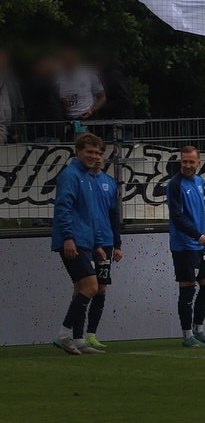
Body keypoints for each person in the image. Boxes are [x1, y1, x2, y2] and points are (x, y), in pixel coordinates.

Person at [51, 133, 103, 355]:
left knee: (80, 290)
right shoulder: (71, 175)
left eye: (97, 153)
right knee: (91, 288)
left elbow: (91, 215)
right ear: (78, 151)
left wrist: (97, 244)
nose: (93, 156)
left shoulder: (88, 178)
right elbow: (63, 208)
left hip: (84, 241)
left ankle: (79, 339)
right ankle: (63, 335)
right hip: (73, 241)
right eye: (89, 152)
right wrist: (68, 238)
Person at [168, 145, 205, 347]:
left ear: (199, 162)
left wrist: (199, 237)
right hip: (184, 245)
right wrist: (198, 235)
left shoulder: (199, 181)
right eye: (184, 161)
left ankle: (199, 330)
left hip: (198, 244)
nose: (187, 165)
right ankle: (187, 335)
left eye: (191, 161)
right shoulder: (175, 184)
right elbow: (177, 217)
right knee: (188, 289)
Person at [85, 139, 123, 350]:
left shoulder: (109, 182)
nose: (97, 158)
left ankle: (91, 334)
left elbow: (114, 214)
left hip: (106, 243)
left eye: (100, 154)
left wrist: (117, 244)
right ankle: (71, 334)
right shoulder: (81, 181)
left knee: (101, 289)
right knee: (83, 289)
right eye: (94, 154)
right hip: (85, 242)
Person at [54, 46, 105, 122]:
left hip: (87, 120)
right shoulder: (56, 77)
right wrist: (60, 102)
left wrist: (91, 111)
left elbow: (102, 97)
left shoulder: (88, 73)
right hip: (65, 121)